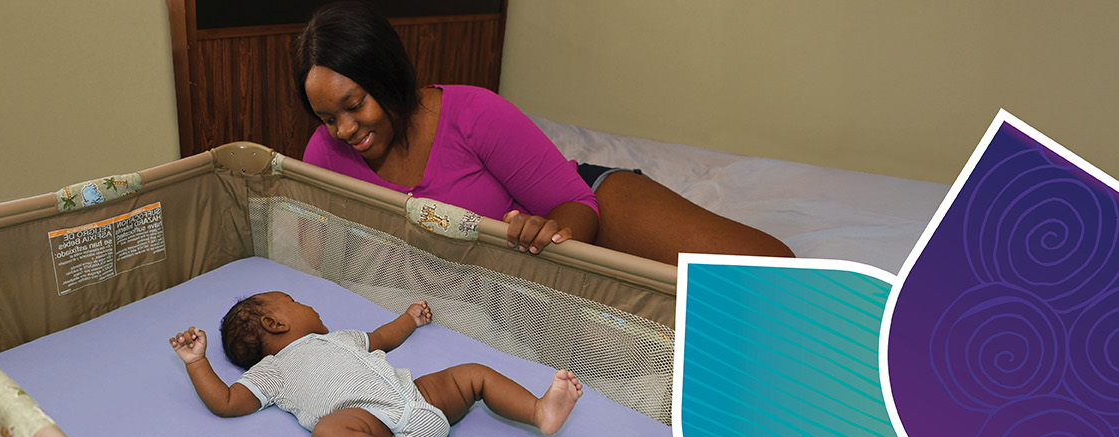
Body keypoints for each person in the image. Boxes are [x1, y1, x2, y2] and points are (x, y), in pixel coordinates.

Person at [293, 1, 794, 265]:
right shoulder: (325, 155)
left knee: (770, 275)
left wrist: (555, 232)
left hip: (578, 202)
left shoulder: (472, 112)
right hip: (516, 281)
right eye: (327, 118)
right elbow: (317, 255)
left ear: (388, 75)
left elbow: (576, 205)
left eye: (355, 105)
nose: (345, 130)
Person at [168, 291, 584, 437]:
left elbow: (381, 336)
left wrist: (409, 318)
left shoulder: (341, 338)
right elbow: (225, 401)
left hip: (418, 398)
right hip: (377, 430)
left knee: (471, 373)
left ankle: (538, 412)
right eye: (296, 300)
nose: (309, 304)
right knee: (330, 434)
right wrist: (197, 362)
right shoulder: (273, 370)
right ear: (276, 325)